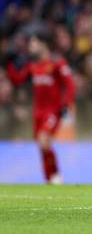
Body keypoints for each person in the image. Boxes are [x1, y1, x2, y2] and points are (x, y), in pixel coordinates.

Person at [6, 32, 75, 184]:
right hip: (38, 112)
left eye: (34, 43)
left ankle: (56, 175)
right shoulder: (33, 66)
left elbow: (70, 84)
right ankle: (48, 179)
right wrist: (9, 63)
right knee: (41, 145)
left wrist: (66, 105)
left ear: (43, 44)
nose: (31, 47)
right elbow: (18, 80)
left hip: (52, 111)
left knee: (44, 141)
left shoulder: (58, 63)